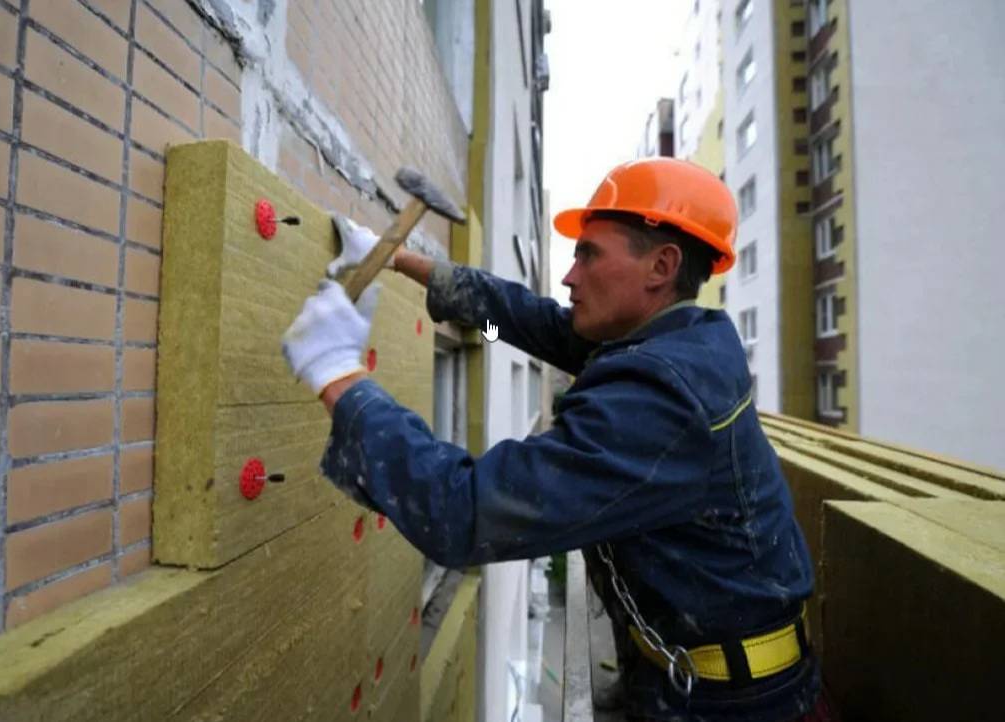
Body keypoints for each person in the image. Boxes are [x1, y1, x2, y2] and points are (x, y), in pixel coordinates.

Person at [281, 158, 834, 721]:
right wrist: (399, 259)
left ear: (661, 266)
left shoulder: (661, 397)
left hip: (735, 706)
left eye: (588, 254)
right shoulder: (666, 339)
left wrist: (337, 375)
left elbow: (462, 512)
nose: (569, 276)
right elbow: (517, 324)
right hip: (689, 674)